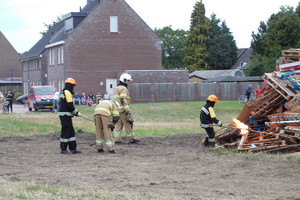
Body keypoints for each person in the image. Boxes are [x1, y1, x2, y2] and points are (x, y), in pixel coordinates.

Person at [113, 73, 140, 143]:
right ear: (124, 80)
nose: (128, 82)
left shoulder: (116, 88)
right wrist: (127, 110)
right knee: (128, 124)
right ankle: (132, 138)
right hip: (123, 111)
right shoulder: (123, 88)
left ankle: (116, 139)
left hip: (116, 110)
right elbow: (123, 100)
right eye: (128, 81)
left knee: (118, 125)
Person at [58, 78, 82, 154]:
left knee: (71, 132)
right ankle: (63, 149)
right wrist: (76, 112)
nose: (73, 88)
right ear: (70, 85)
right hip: (65, 116)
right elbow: (69, 105)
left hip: (65, 115)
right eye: (73, 86)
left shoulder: (63, 92)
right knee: (66, 132)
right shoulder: (67, 93)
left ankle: (73, 148)